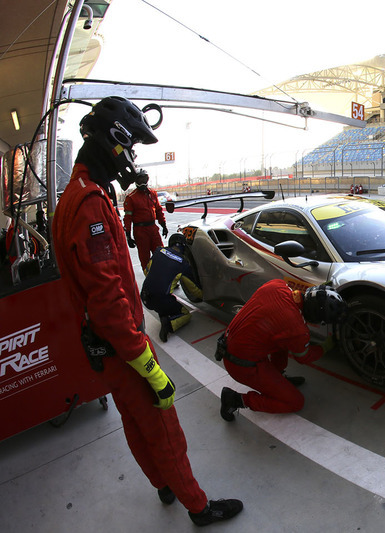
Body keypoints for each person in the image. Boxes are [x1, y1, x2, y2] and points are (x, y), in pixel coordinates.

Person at [51, 96, 242, 527]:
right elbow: (107, 299)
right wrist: (149, 366)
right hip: (123, 347)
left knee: (135, 426)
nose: (132, 156)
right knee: (163, 429)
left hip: (103, 348)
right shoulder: (92, 205)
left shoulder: (77, 195)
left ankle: (163, 484)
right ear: (114, 141)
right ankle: (198, 506)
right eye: (131, 145)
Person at [218, 281, 347, 420]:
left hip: (230, 343)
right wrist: (326, 346)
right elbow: (304, 357)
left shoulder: (277, 285)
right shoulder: (297, 329)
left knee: (281, 338)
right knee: (295, 402)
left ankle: (277, 377)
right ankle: (235, 399)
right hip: (241, 365)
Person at [141, 234, 202, 343]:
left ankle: (164, 313)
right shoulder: (183, 264)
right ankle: (169, 323)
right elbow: (193, 289)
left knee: (163, 302)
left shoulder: (158, 251)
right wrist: (204, 296)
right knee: (186, 314)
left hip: (145, 295)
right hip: (160, 300)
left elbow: (146, 271)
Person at [123, 169, 168, 272]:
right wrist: (128, 235)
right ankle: (150, 281)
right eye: (140, 180)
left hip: (153, 229)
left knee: (161, 253)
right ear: (136, 181)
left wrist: (163, 225)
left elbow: (159, 210)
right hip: (140, 231)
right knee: (145, 258)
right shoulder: (131, 198)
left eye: (145, 179)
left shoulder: (152, 194)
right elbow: (128, 218)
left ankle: (166, 277)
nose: (143, 182)